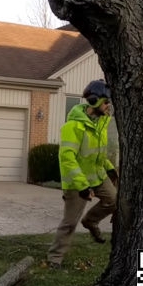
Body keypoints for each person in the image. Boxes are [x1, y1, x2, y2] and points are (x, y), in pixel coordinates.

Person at [48, 79, 118, 268]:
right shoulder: (73, 127)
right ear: (94, 101)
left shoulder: (101, 123)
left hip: (97, 176)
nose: (108, 106)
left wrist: (110, 168)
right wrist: (83, 186)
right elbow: (67, 159)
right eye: (106, 102)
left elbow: (98, 153)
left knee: (114, 201)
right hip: (76, 182)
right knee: (70, 223)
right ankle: (55, 258)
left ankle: (91, 221)